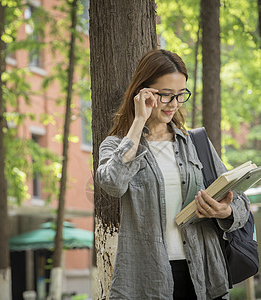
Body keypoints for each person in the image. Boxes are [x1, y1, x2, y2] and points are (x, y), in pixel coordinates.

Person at [95, 49, 250, 300]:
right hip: (146, 279)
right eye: (166, 95)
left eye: (180, 95)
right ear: (143, 93)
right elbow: (113, 184)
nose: (174, 104)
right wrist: (138, 123)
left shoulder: (194, 142)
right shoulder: (116, 146)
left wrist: (225, 211)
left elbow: (241, 202)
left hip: (203, 274)